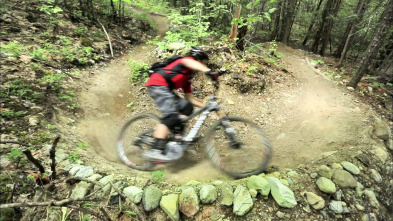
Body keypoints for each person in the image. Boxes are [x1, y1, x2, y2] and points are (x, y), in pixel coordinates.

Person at [144, 46, 218, 161]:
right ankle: (155, 151)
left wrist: (206, 107)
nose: (203, 65)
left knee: (186, 107)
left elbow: (190, 100)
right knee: (171, 116)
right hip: (157, 84)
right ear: (198, 59)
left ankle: (177, 137)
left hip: (166, 89)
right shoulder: (184, 61)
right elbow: (191, 63)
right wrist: (208, 71)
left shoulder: (187, 78)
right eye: (203, 62)